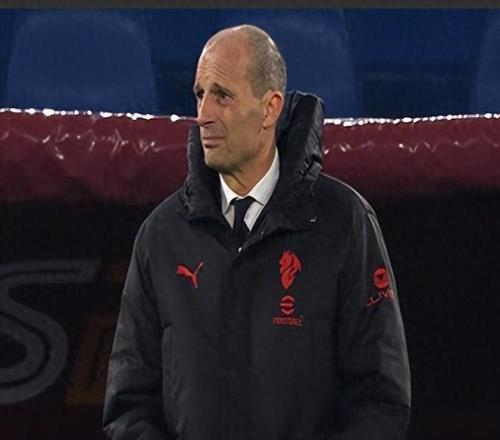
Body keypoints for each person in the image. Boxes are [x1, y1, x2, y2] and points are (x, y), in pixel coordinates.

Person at [103, 24, 411, 440]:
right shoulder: (161, 236)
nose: (203, 115)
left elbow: (380, 399)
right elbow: (129, 405)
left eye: (222, 96)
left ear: (270, 108)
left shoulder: (345, 224)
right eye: (199, 94)